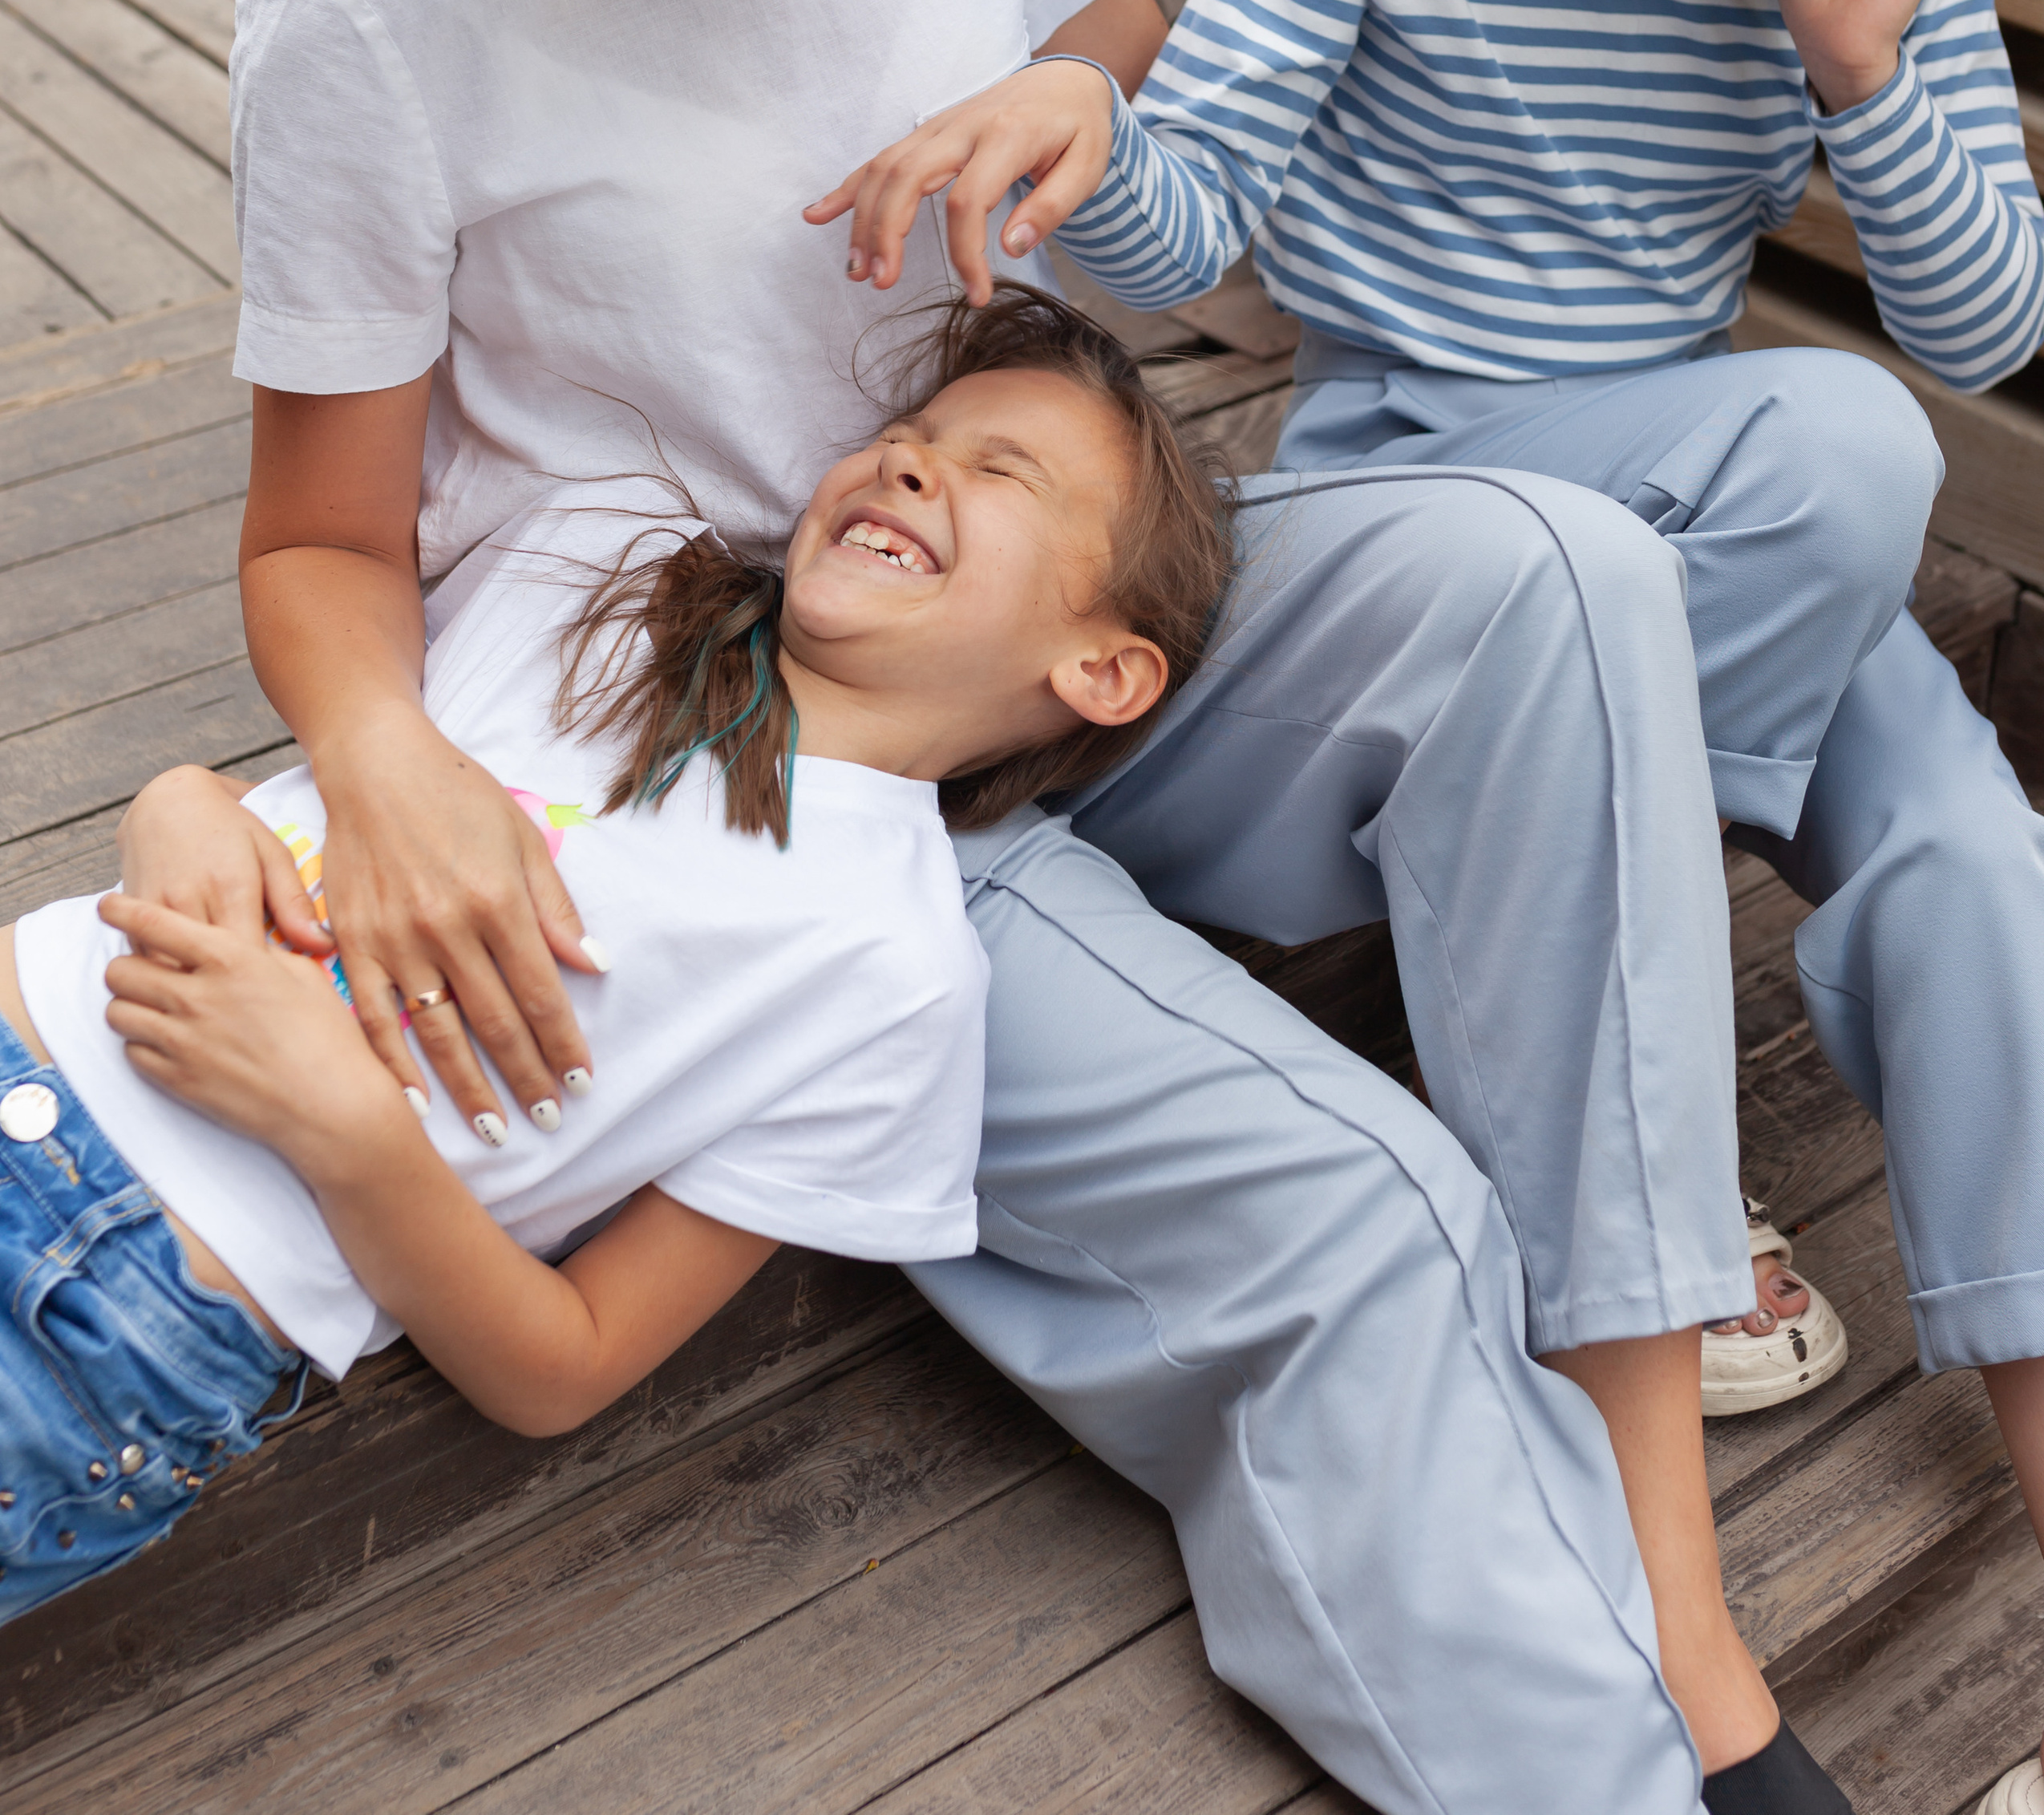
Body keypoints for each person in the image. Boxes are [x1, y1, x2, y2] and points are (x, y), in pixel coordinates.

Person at [148, 0, 1836, 1809]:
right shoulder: (377, 5)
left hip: (1073, 588)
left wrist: (1096, 129)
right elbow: (319, 545)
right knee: (1356, 1219)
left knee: (1555, 571)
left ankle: (1658, 1488)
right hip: (777, 741)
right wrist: (376, 767)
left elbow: (1124, 80)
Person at [821, 0, 2044, 1815]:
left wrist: (1861, 82)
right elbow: (1198, 212)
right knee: (1827, 457)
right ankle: (1632, 1166)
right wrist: (1085, 138)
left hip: (1700, 505)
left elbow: (1995, 315)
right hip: (1396, 507)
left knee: (1975, 844)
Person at [0, 292, 1228, 1622]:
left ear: (1104, 670)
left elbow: (562, 1369)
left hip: (114, 1315)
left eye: (1003, 473)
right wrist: (177, 805)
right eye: (909, 431)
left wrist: (345, 1125)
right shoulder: (589, 570)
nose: (908, 460)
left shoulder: (894, 978)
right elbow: (314, 781)